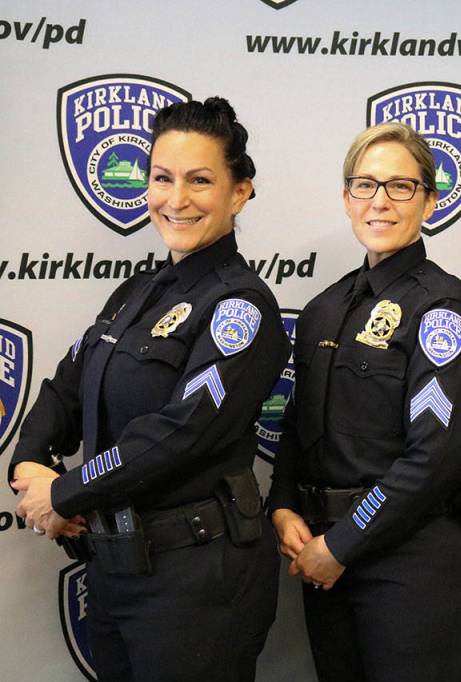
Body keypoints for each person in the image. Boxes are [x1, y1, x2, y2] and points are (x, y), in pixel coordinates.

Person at [10, 97, 290, 681]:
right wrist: (29, 461)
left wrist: (65, 492)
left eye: (200, 180)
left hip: (194, 583)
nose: (176, 199)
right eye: (162, 178)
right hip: (117, 567)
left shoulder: (240, 305)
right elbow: (66, 388)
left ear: (240, 192)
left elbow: (180, 433)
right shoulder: (135, 293)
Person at [268, 121, 461, 682]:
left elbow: (434, 458)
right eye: (366, 185)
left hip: (412, 564)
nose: (381, 202)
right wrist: (283, 504)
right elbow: (298, 422)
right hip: (326, 552)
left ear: (430, 200)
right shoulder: (325, 308)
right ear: (347, 199)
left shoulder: (445, 310)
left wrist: (341, 544)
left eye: (401, 186)